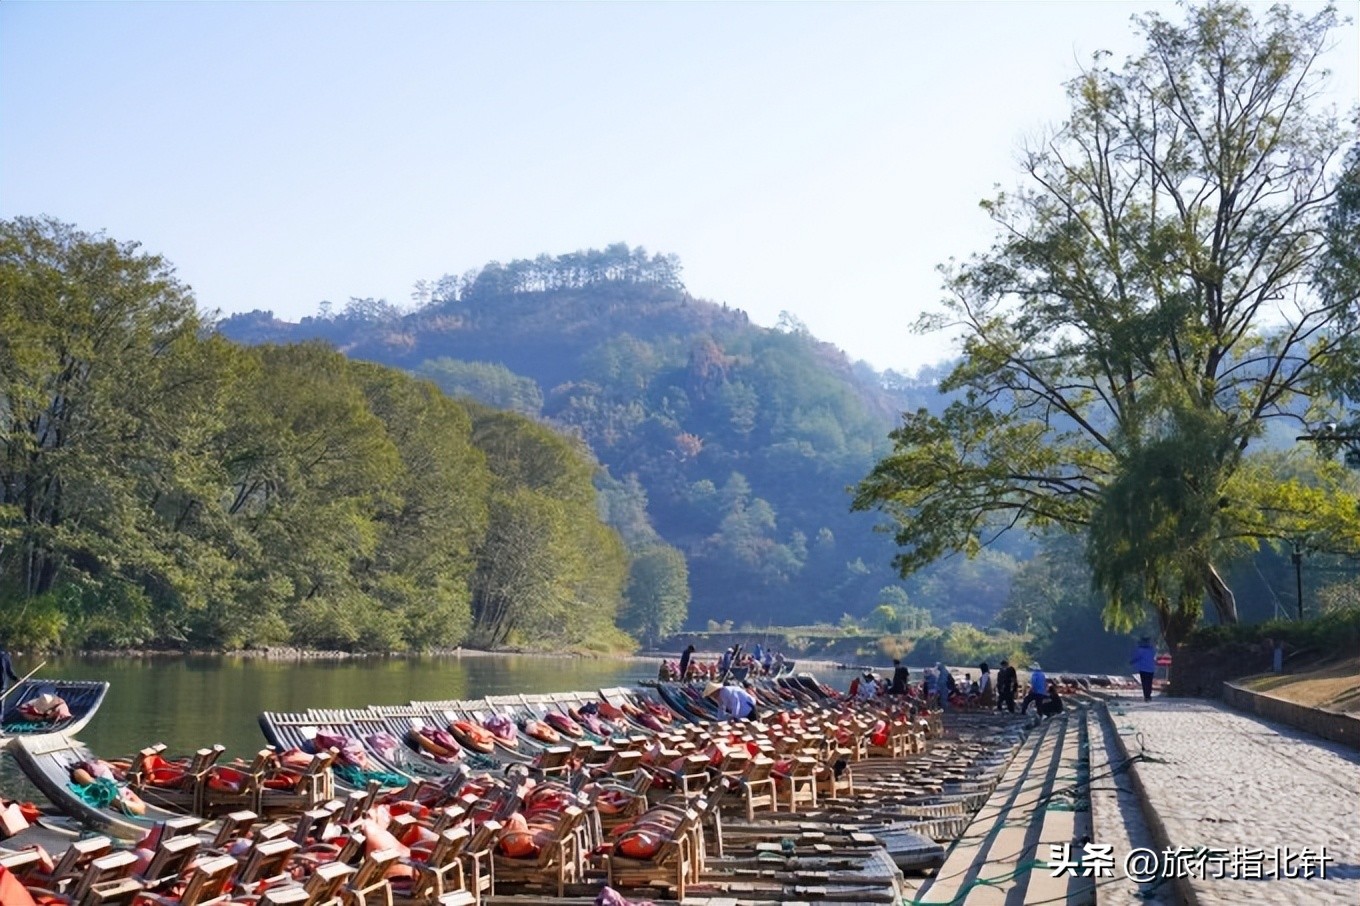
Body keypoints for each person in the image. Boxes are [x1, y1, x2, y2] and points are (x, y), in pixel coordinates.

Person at [1130, 636, 1157, 702]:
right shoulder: (1152, 650)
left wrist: (1132, 662)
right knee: (1149, 682)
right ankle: (1148, 695)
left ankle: (1146, 696)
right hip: (1151, 668)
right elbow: (1155, 656)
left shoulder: (1140, 650)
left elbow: (1136, 658)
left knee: (1144, 683)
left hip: (1143, 669)